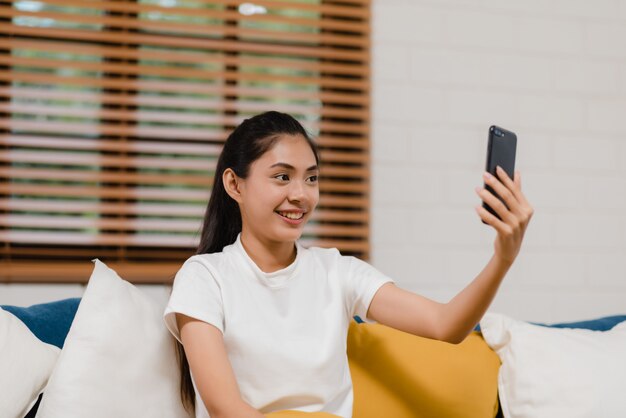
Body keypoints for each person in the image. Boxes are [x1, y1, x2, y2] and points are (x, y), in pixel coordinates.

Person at [163, 111, 533, 418]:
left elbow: (445, 325)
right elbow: (226, 408)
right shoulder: (204, 278)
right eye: (282, 176)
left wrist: (503, 257)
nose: (301, 194)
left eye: (312, 178)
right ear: (235, 185)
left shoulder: (336, 271)